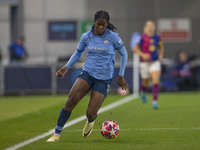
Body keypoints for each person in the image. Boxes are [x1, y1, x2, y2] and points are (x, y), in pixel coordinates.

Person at [47, 10, 128, 142]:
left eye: (103, 25)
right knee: (70, 101)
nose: (101, 27)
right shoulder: (86, 36)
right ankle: (56, 134)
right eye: (98, 24)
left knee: (90, 113)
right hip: (88, 73)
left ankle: (91, 120)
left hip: (104, 79)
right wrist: (66, 67)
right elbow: (78, 53)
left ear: (107, 24)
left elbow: (124, 54)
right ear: (94, 22)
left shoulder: (113, 37)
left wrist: (121, 75)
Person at [131, 20, 164, 109]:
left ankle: (155, 101)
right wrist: (143, 54)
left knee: (155, 79)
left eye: (152, 25)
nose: (150, 27)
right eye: (148, 25)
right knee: (145, 82)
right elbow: (134, 49)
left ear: (154, 27)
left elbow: (160, 46)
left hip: (154, 62)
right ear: (145, 27)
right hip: (144, 63)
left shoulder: (157, 37)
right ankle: (143, 91)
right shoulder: (141, 37)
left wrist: (160, 55)